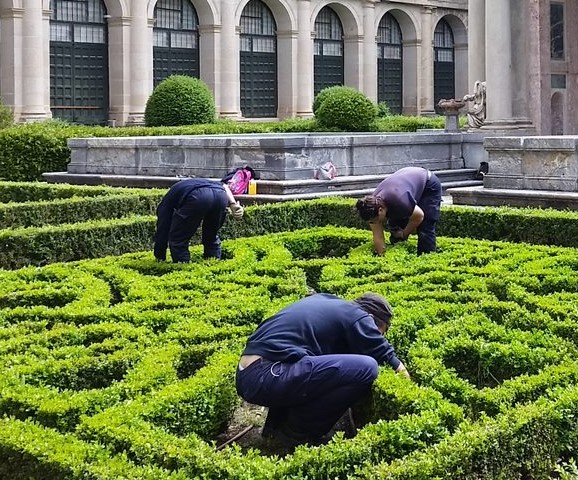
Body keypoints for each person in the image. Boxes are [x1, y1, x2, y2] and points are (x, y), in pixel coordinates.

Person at [236, 292, 410, 448]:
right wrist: (408, 389)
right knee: (366, 368)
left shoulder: (327, 301)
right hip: (265, 375)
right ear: (371, 318)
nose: (377, 335)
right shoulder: (358, 315)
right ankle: (295, 435)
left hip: (252, 372)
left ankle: (275, 430)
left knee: (321, 369)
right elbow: (386, 355)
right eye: (380, 331)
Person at [355, 166, 442, 255]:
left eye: (375, 220)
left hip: (428, 183)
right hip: (404, 183)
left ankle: (427, 258)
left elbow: (419, 216)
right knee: (396, 229)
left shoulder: (400, 201)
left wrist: (405, 233)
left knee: (425, 227)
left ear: (380, 210)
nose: (376, 222)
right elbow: (378, 237)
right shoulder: (371, 208)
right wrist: (381, 258)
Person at [153, 178, 244, 262]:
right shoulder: (192, 184)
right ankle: (213, 263)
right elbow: (224, 185)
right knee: (211, 237)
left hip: (198, 196)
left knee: (178, 240)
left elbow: (162, 228)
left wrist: (159, 257)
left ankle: (182, 268)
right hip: (221, 195)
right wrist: (233, 204)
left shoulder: (165, 204)